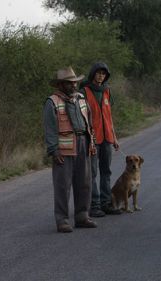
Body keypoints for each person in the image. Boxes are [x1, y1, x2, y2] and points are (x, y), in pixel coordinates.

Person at [43, 67, 98, 233]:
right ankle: (62, 220)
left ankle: (82, 216)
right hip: (64, 148)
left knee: (85, 183)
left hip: (83, 143)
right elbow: (50, 128)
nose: (73, 85)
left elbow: (90, 123)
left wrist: (92, 143)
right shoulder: (52, 101)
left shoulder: (81, 98)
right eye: (69, 83)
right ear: (60, 84)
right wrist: (54, 150)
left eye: (74, 82)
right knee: (62, 186)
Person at [81, 62, 122, 217]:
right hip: (92, 139)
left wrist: (115, 138)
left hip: (107, 138)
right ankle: (94, 205)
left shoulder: (106, 91)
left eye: (103, 74)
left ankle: (106, 203)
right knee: (92, 173)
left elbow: (108, 116)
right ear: (93, 74)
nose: (101, 76)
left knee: (106, 171)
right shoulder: (84, 92)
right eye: (98, 73)